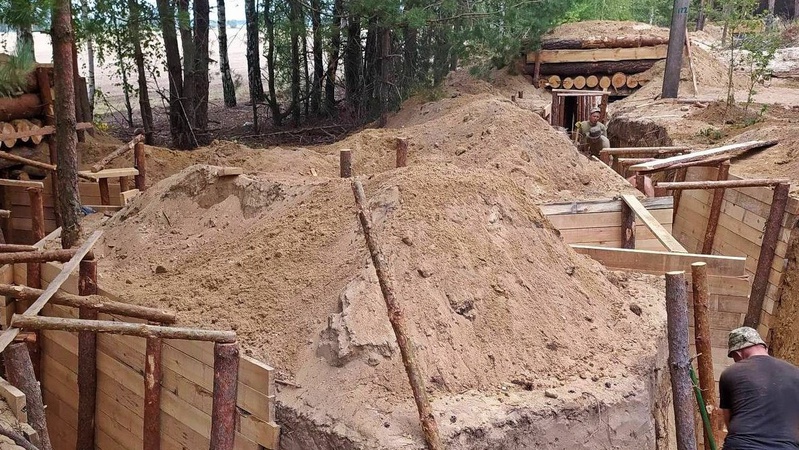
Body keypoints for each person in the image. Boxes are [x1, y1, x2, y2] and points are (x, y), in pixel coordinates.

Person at [718, 326, 799, 449]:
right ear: (764, 347)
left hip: (742, 445)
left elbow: (728, 418)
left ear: (738, 353)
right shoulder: (796, 373)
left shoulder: (731, 373)